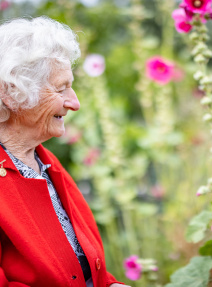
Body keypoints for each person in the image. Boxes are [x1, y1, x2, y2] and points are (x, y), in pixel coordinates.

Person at [0, 16, 131, 287]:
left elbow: (87, 269)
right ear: (13, 95)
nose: (75, 103)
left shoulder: (46, 163)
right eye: (61, 89)